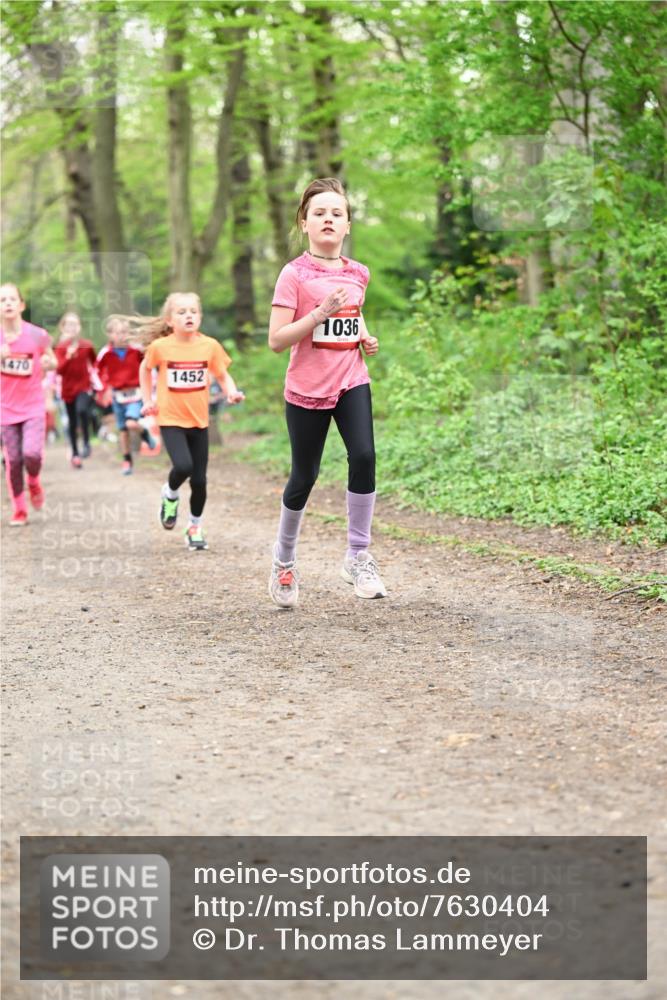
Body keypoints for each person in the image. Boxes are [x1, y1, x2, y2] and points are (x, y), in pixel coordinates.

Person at [267, 178, 385, 608]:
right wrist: (319, 312)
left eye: (337, 212)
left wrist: (365, 337)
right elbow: (277, 340)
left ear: (348, 223)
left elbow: (353, 316)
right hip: (307, 388)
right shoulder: (293, 274)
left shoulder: (359, 273)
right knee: (305, 476)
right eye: (319, 212)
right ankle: (283, 559)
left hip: (352, 379)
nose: (328, 218)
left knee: (365, 456)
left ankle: (358, 555)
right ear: (304, 223)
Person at [131, 291, 244, 550]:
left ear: (200, 317)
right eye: (181, 312)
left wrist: (231, 392)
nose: (188, 316)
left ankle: (195, 526)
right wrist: (147, 400)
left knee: (200, 480)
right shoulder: (161, 347)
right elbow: (145, 369)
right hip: (170, 418)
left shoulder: (209, 346)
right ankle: (169, 494)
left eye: (193, 311)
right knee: (182, 466)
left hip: (199, 420)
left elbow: (223, 375)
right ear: (170, 320)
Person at [0, 282, 56, 525]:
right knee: (13, 461)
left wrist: (47, 363)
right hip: (5, 408)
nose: (8, 303)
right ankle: (19, 510)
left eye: (12, 299)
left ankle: (34, 480)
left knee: (31, 454)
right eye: (2, 300)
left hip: (33, 405)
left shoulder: (37, 335)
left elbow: (52, 360)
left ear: (21, 305)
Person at [96, 317, 155, 475]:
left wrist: (149, 387)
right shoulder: (105, 353)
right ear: (110, 335)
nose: (121, 336)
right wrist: (104, 389)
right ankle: (127, 461)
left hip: (136, 393)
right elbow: (98, 374)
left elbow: (149, 367)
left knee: (131, 423)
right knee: (123, 430)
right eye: (117, 333)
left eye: (124, 332)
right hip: (117, 395)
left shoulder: (137, 350)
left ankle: (144, 433)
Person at [54, 312, 96, 467]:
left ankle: (86, 443)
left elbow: (95, 363)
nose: (72, 327)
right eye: (69, 324)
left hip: (84, 387)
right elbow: (58, 370)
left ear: (79, 327)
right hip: (67, 390)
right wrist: (68, 356)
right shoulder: (60, 348)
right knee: (71, 422)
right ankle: (75, 454)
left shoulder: (87, 345)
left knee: (82, 410)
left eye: (75, 324)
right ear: (63, 327)